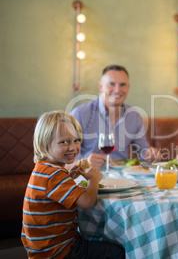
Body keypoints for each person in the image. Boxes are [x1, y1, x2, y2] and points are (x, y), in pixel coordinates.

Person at [21, 111, 125, 259]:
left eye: (77, 140)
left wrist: (69, 177)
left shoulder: (43, 168)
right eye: (64, 142)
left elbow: (52, 192)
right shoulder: (54, 175)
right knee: (118, 252)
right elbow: (88, 202)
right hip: (60, 251)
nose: (73, 147)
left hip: (40, 247)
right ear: (44, 144)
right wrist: (94, 180)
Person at [71, 65, 160, 169]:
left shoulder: (133, 116)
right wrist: (84, 163)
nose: (117, 90)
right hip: (87, 174)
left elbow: (143, 152)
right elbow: (63, 159)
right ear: (100, 86)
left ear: (128, 87)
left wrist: (150, 155)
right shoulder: (80, 114)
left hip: (123, 177)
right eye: (111, 84)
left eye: (122, 85)